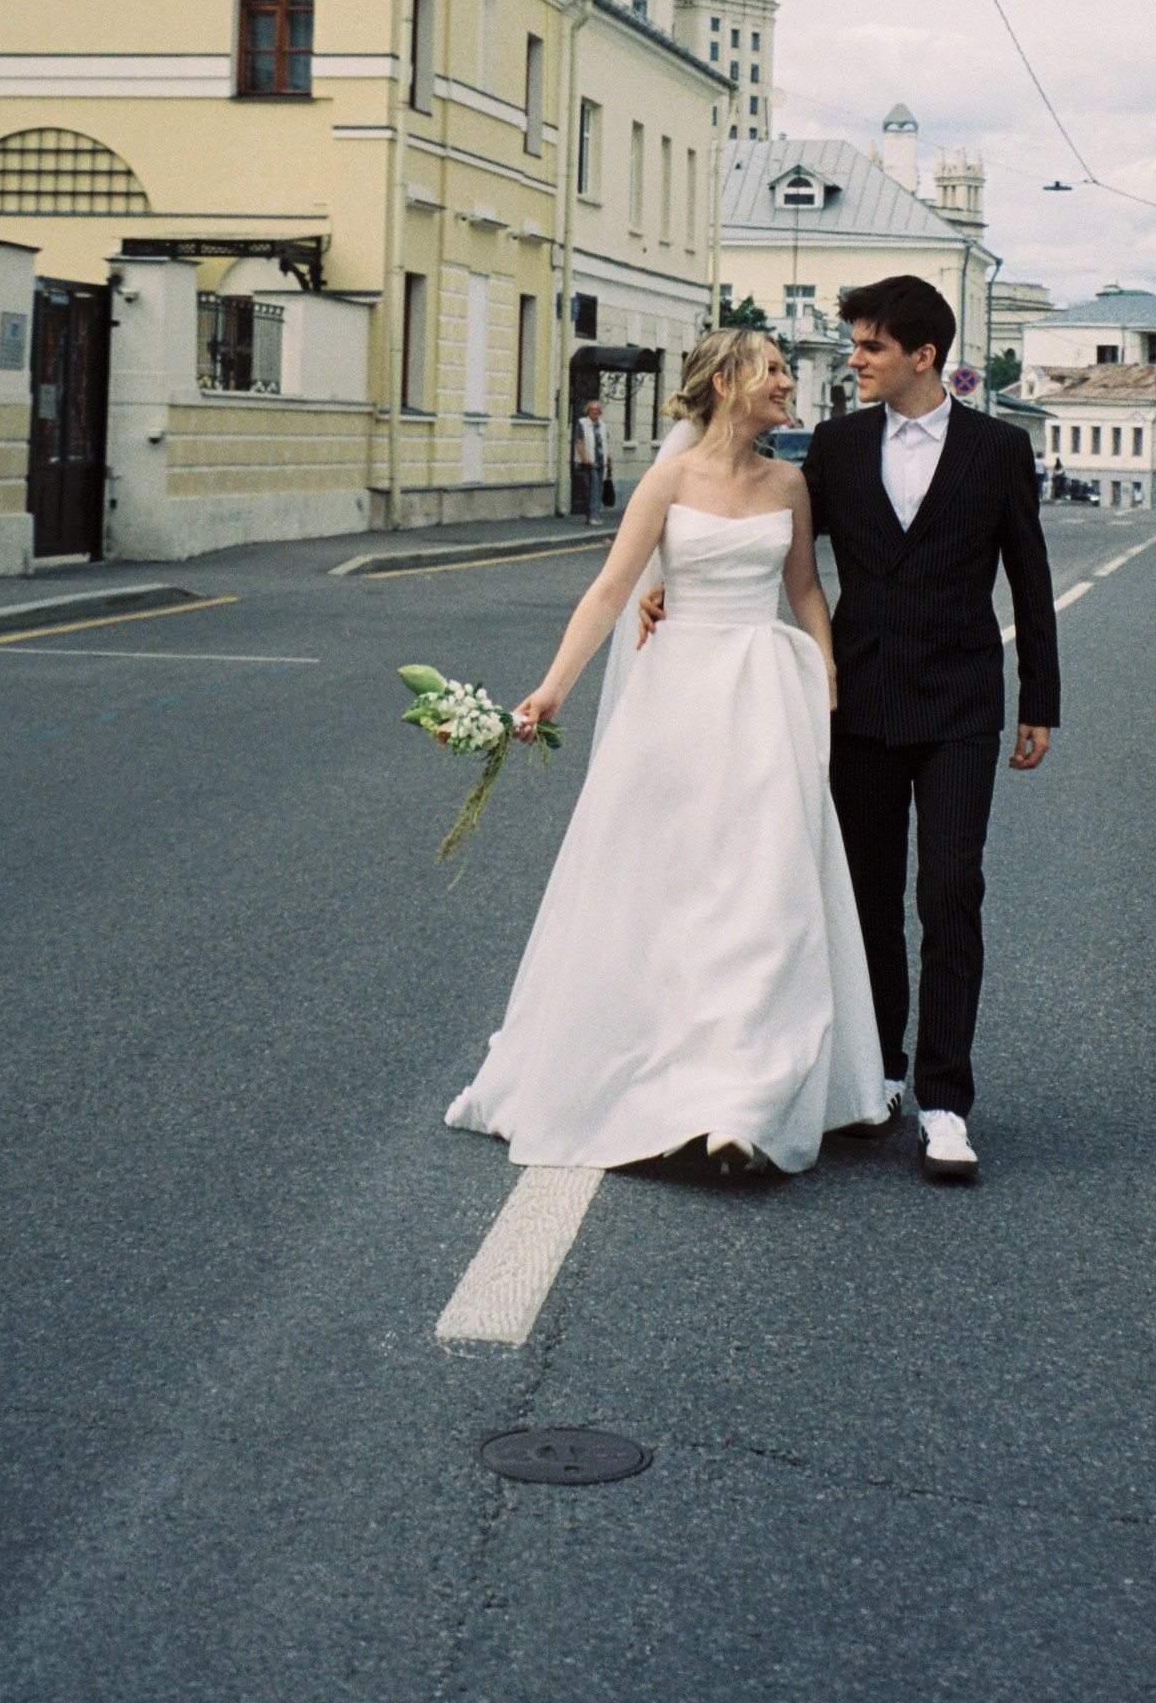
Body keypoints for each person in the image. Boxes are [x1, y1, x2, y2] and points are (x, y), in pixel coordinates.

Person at [445, 329, 886, 1178]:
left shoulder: (790, 483)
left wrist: (823, 668)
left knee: (761, 896)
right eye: (775, 372)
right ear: (726, 382)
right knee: (670, 887)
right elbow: (613, 584)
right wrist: (550, 689)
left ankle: (740, 1103)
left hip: (760, 697)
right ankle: (664, 1077)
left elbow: (802, 588)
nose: (790, 384)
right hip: (676, 697)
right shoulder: (669, 480)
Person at [798, 274, 1061, 1187]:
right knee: (866, 896)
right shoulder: (833, 446)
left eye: (869, 346)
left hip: (959, 704)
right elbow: (781, 552)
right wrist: (674, 577)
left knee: (950, 888)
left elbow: (1028, 575)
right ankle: (882, 1073)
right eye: (853, 345)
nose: (854, 360)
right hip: (859, 703)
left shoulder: (996, 448)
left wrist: (1040, 701)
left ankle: (946, 1102)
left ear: (923, 355)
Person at [568, 391, 608, 521]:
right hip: (589, 462)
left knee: (598, 489)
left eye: (597, 409)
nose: (595, 411)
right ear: (588, 411)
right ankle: (592, 517)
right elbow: (578, 441)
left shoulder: (602, 425)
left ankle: (594, 515)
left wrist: (610, 459)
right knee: (592, 489)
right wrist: (584, 457)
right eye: (592, 409)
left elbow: (605, 442)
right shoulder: (582, 423)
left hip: (601, 461)